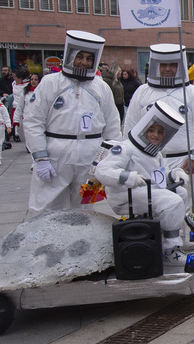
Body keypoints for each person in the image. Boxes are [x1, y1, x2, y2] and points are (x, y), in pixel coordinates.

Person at [23, 31, 122, 216]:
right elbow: (33, 120)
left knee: (85, 207)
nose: (84, 62)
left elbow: (113, 126)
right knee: (46, 207)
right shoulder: (50, 83)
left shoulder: (101, 87)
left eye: (89, 58)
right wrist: (40, 157)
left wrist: (110, 158)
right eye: (80, 57)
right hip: (55, 153)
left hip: (90, 154)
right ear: (70, 57)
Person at [93, 101, 190, 266]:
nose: (155, 135)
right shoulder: (125, 148)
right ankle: (170, 251)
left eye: (160, 132)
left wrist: (175, 174)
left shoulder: (155, 154)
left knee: (181, 194)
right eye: (151, 130)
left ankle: (173, 238)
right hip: (125, 195)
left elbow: (160, 176)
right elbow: (102, 171)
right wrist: (128, 177)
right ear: (143, 130)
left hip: (146, 192)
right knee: (171, 201)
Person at [124, 44, 194, 179]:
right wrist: (128, 154)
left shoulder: (191, 92)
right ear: (156, 66)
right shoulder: (143, 91)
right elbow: (130, 124)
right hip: (147, 160)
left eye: (173, 65)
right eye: (163, 65)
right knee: (150, 198)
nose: (168, 69)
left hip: (181, 160)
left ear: (179, 66)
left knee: (181, 198)